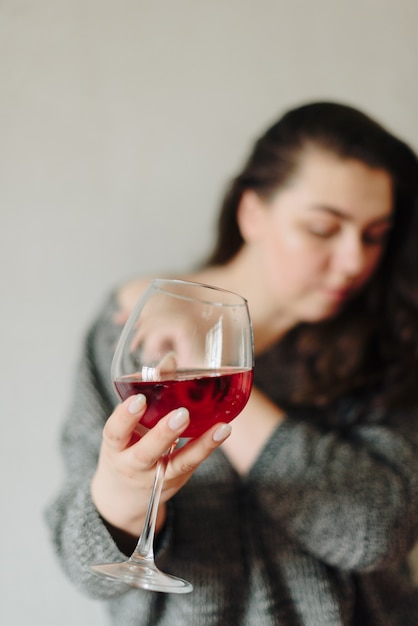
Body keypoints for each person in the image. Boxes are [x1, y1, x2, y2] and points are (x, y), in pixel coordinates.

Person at [46, 101, 418, 625]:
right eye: (322, 229)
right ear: (252, 214)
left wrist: (210, 373)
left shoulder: (391, 345)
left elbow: (376, 532)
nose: (355, 260)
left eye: (374, 235)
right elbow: (85, 567)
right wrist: (120, 500)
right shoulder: (133, 329)